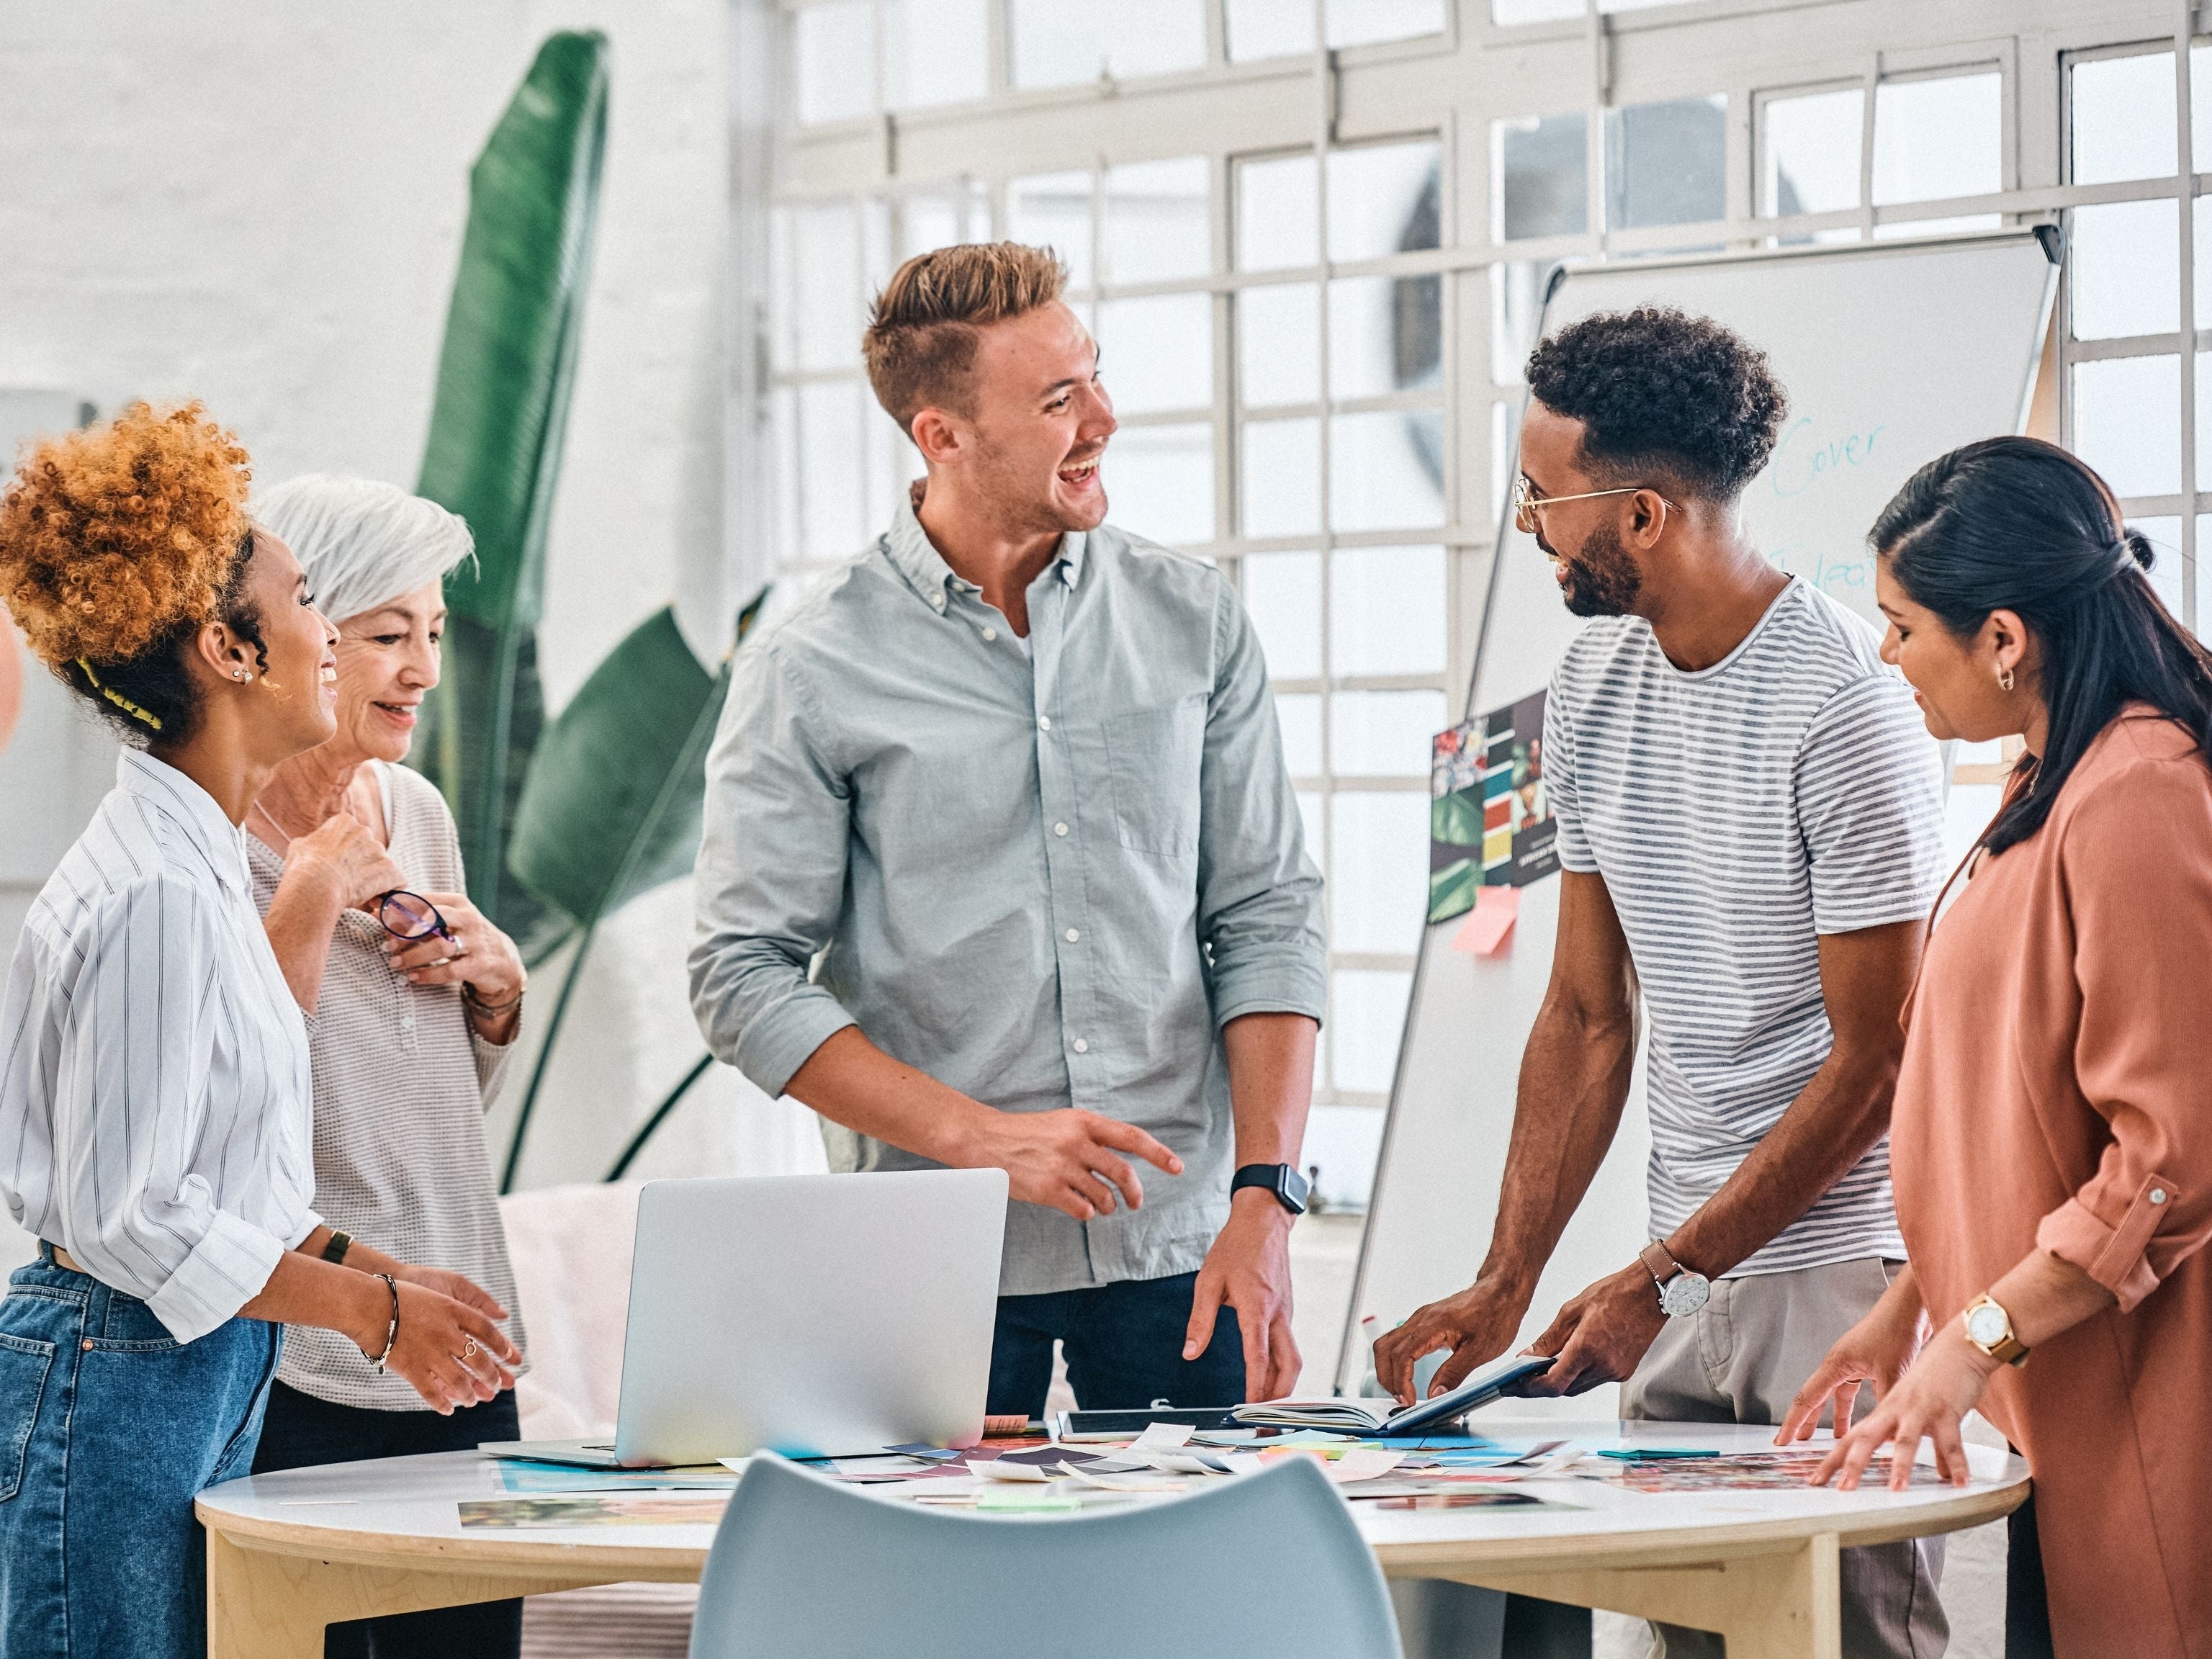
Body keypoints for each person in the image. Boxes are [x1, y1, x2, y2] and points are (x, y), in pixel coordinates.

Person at [1372, 309, 1948, 1658]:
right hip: (1679, 1279)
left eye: (1542, 496)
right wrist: (1508, 1280)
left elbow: (1877, 1063)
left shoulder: (1845, 712)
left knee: (1849, 1643)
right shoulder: (1588, 689)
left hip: (1838, 1282)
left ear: (1638, 515)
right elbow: (1584, 1015)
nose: (1526, 525)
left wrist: (1667, 1274)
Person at [690, 242, 1326, 1415]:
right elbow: (740, 974)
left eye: (1093, 378)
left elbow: (1269, 913)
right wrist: (985, 1139)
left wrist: (1266, 1198)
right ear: (942, 437)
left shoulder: (1194, 622)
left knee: (1200, 1586)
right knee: (952, 1597)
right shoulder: (809, 665)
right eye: (1057, 401)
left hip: (1182, 1248)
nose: (1105, 419)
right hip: (932, 1260)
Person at [0, 404, 520, 1659]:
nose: (338, 645)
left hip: (179, 1369)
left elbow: (216, 1166)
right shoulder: (169, 892)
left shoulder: (173, 861)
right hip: (124, 1373)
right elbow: (135, 1218)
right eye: (311, 607)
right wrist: (368, 1312)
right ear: (232, 650)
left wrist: (378, 1273)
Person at [1779, 438, 2212, 1659]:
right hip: (2059, 1404)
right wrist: (1915, 1308)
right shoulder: (2047, 778)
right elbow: (2016, 1115)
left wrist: (1975, 1339)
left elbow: (2170, 1161)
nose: (1886, 654)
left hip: (2145, 1402)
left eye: (1905, 625)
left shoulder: (2138, 794)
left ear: (2006, 639)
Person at [235, 475, 531, 1659]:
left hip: (463, 1340)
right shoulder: (219, 849)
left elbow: (442, 1105)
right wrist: (312, 889)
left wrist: (498, 994)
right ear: (302, 638)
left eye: (436, 636)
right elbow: (227, 1098)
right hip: (313, 1352)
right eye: (387, 637)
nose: (423, 671)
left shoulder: (418, 808)